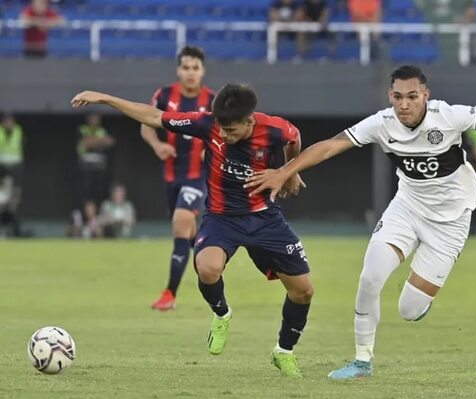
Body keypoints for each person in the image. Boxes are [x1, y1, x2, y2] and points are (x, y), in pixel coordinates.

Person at [245, 65, 476, 380]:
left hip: (451, 222)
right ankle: (362, 360)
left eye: (412, 96)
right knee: (370, 278)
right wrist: (285, 171)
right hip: (406, 209)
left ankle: (420, 298)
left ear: (425, 95)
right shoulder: (382, 123)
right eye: (397, 97)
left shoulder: (450, 117)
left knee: (409, 310)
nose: (404, 104)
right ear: (390, 97)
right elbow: (332, 146)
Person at [71, 84, 313, 378]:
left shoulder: (276, 129)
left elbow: (295, 138)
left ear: (250, 121)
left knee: (303, 291)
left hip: (266, 218)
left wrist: (289, 171)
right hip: (222, 218)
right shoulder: (207, 124)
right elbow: (154, 116)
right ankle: (222, 314)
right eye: (221, 128)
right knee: (207, 268)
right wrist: (107, 99)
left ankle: (283, 351)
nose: (223, 135)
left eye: (231, 130)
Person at [142, 46, 215, 311]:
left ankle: (169, 294)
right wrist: (157, 146)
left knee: (181, 222)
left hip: (199, 177)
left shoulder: (213, 101)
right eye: (186, 67)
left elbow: (225, 135)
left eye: (195, 68)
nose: (191, 73)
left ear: (203, 71)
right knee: (189, 234)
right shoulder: (164, 96)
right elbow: (146, 125)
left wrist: (214, 148)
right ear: (178, 70)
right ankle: (211, 275)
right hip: (172, 175)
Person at [77, 113, 114, 207]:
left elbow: (110, 141)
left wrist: (92, 141)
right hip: (84, 167)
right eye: (92, 118)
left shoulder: (101, 130)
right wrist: (101, 141)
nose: (94, 120)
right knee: (85, 192)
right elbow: (85, 143)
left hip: (100, 167)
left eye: (96, 118)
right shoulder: (83, 129)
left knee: (99, 192)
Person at [0, 113, 24, 224]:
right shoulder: (0, 132)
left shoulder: (18, 131)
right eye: (6, 121)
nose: (9, 123)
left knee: (15, 195)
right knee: (3, 195)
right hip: (2, 167)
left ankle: (12, 219)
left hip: (16, 168)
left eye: (11, 121)